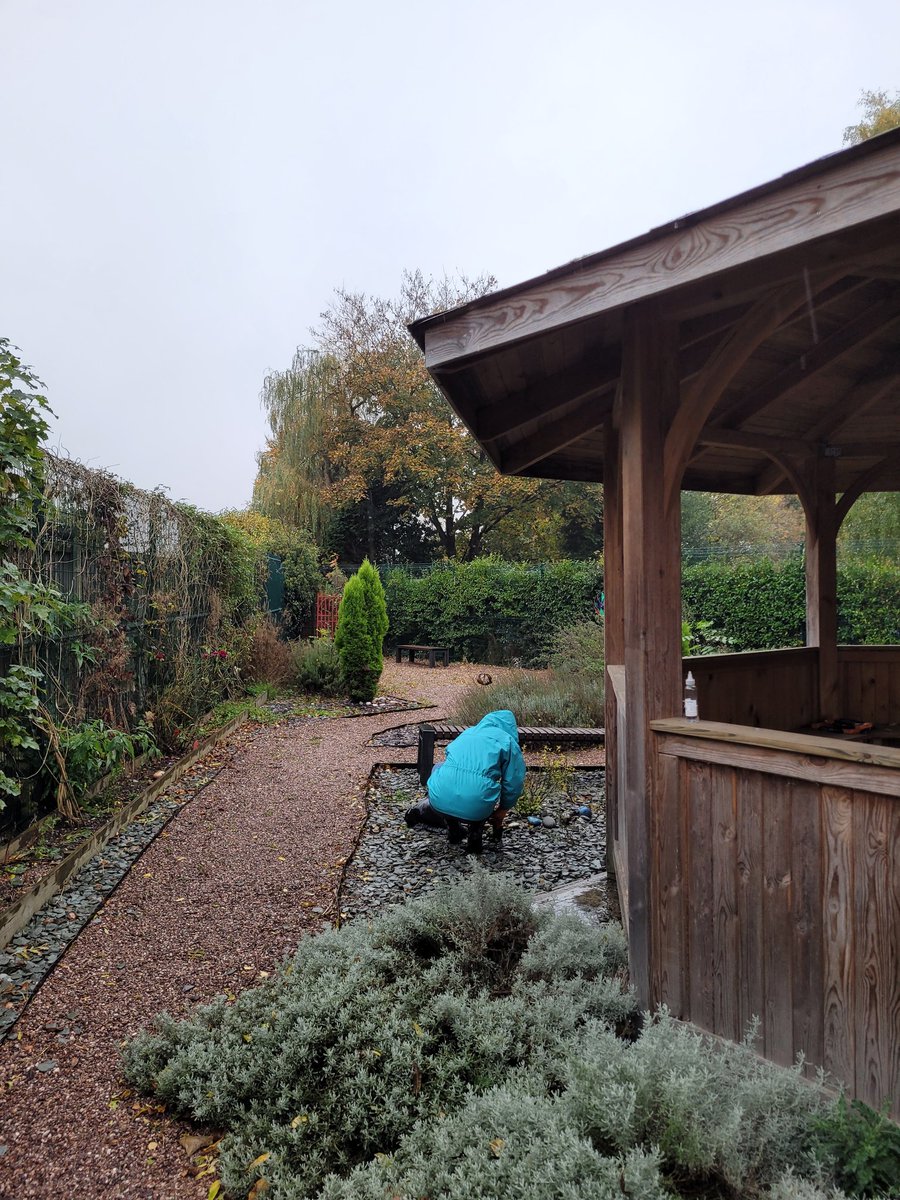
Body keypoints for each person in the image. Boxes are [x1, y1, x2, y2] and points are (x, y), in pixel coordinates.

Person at [405, 710, 526, 854]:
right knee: (481, 790)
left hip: (438, 802)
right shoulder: (508, 742)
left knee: (440, 767)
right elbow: (514, 782)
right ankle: (475, 835)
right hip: (476, 806)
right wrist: (503, 809)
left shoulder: (468, 733)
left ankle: (453, 828)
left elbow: (450, 755)